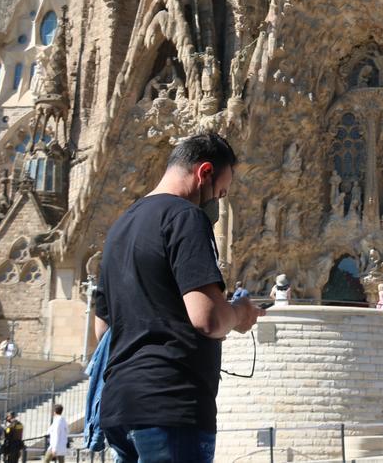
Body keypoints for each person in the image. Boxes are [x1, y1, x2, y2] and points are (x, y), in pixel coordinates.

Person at [92, 133, 264, 462]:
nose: (219, 201)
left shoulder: (120, 228)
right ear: (205, 173)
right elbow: (208, 318)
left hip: (120, 406)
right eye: (221, 192)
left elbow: (102, 329)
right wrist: (239, 314)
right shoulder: (185, 217)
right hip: (170, 403)